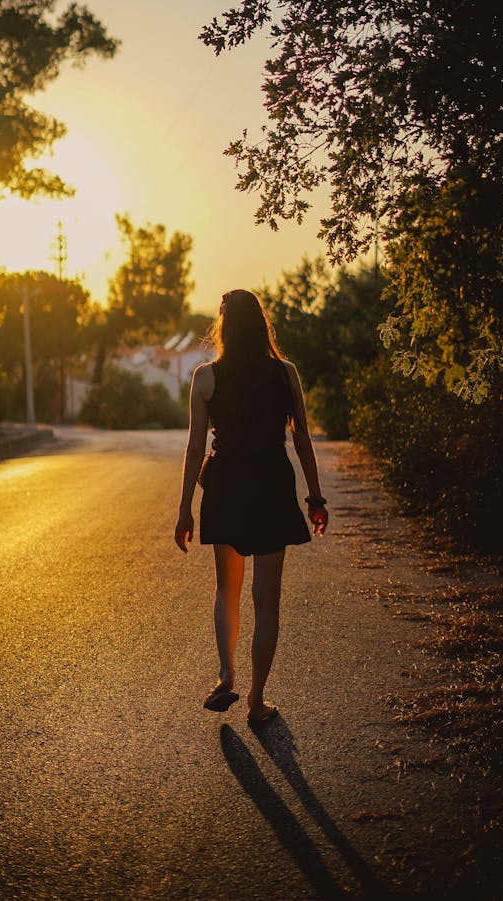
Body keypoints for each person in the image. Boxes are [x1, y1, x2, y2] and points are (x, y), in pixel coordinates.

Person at [174, 288, 328, 730]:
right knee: (267, 603)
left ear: (224, 325)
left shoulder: (206, 377)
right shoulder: (285, 374)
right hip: (271, 487)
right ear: (261, 324)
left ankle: (226, 674)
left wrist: (185, 509)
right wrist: (315, 498)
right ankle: (256, 701)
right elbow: (301, 439)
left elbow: (194, 448)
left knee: (228, 590)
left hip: (224, 487)